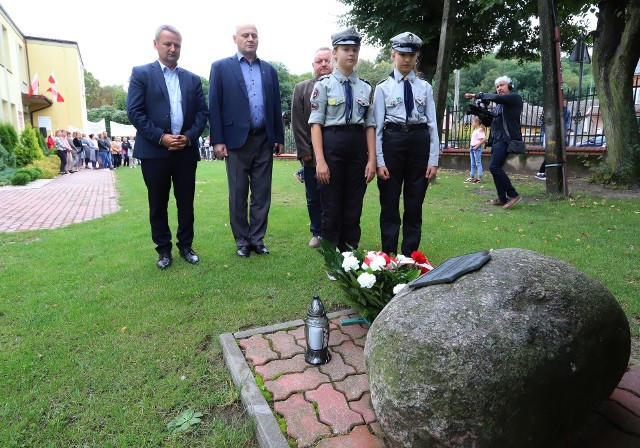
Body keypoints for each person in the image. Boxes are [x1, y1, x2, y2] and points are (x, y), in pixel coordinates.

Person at [127, 24, 208, 269]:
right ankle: (163, 250)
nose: (173, 49)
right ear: (156, 44)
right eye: (168, 44)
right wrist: (161, 137)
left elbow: (202, 113)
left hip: (185, 151)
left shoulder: (192, 79)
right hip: (154, 152)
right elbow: (134, 112)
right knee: (158, 203)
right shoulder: (141, 74)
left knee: (186, 202)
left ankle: (186, 246)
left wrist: (190, 137)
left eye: (177, 45)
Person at [208, 23, 284, 258]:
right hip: (235, 142)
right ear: (235, 39)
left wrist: (279, 137)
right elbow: (215, 105)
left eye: (254, 35)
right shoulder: (221, 68)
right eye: (245, 35)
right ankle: (242, 240)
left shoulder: (269, 70)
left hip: (263, 140)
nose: (250, 39)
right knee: (238, 194)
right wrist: (218, 139)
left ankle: (257, 239)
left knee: (262, 194)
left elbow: (275, 105)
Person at [309, 26, 376, 253]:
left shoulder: (365, 87)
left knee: (354, 204)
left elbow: (370, 126)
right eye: (346, 49)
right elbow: (316, 124)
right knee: (331, 205)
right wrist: (320, 161)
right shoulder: (323, 85)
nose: (351, 54)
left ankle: (349, 253)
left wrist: (372, 160)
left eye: (355, 50)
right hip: (332, 144)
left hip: (357, 147)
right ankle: (332, 257)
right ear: (335, 53)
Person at [373, 32, 439, 257]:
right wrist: (379, 161)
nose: (406, 59)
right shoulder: (382, 88)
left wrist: (433, 159)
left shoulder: (425, 87)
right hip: (393, 142)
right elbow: (377, 128)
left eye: (411, 55)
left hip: (418, 144)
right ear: (393, 55)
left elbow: (432, 125)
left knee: (414, 204)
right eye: (402, 54)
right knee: (389, 204)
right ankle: (388, 256)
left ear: (416, 57)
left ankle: (410, 256)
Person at [291, 46, 333, 249]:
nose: (324, 64)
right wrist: (305, 151)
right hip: (311, 155)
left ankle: (334, 231)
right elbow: (298, 122)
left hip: (336, 151)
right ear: (313, 65)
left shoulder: (341, 85)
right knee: (313, 196)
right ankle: (317, 232)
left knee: (334, 195)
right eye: (319, 61)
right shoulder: (302, 88)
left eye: (327, 60)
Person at [465, 76, 523, 209]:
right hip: (497, 140)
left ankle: (513, 195)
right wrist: (478, 112)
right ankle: (502, 198)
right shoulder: (499, 107)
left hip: (505, 139)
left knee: (494, 167)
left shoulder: (515, 98)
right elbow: (491, 122)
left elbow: (496, 98)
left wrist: (478, 95)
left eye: (502, 85)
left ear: (510, 86)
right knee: (495, 168)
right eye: (497, 87)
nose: (499, 88)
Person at [536, 99, 571, 181]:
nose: (563, 103)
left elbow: (565, 122)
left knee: (557, 154)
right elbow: (546, 123)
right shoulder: (552, 110)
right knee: (550, 153)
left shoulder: (566, 111)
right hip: (551, 135)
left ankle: (552, 173)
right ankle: (541, 172)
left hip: (560, 135)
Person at [465, 116, 486, 184]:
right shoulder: (475, 130)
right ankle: (471, 177)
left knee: (478, 163)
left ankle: (479, 178)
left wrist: (476, 146)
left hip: (476, 148)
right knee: (472, 164)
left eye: (473, 122)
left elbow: (484, 139)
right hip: (472, 148)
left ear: (477, 122)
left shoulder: (480, 130)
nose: (472, 123)